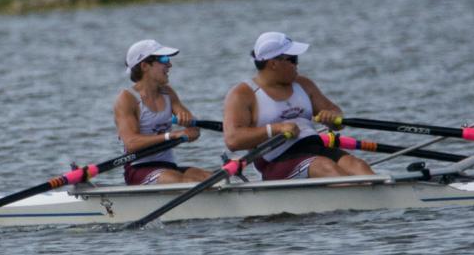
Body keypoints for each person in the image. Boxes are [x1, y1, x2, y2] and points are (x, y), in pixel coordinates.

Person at [223, 31, 374, 180]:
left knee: (358, 165)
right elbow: (233, 140)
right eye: (293, 59)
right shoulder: (242, 94)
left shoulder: (304, 84)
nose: (297, 64)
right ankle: (354, 191)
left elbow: (336, 115)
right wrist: (276, 129)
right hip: (275, 161)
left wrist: (332, 117)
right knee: (324, 167)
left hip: (314, 148)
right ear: (273, 63)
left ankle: (373, 191)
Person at [114, 39, 213, 185]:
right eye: (164, 59)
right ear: (145, 66)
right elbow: (131, 143)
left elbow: (193, 129)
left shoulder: (168, 93)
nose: (170, 64)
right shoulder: (127, 98)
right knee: (183, 181)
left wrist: (191, 126)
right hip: (138, 169)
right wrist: (170, 136)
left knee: (211, 177)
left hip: (168, 166)